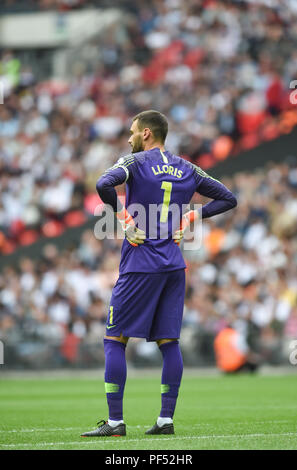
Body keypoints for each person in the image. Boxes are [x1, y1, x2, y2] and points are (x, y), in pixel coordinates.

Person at [81, 110, 237, 437]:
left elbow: (103, 183)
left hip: (141, 262)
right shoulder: (186, 167)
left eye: (132, 132)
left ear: (147, 134)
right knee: (169, 342)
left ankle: (114, 422)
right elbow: (227, 197)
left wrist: (124, 221)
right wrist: (192, 217)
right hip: (174, 265)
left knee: (114, 339)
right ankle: (165, 420)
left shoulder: (134, 162)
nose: (129, 138)